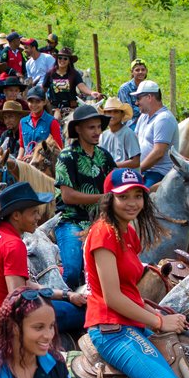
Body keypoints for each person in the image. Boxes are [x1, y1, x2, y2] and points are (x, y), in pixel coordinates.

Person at [84, 168, 187, 378]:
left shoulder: (127, 231)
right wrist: (158, 322)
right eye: (123, 196)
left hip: (130, 320)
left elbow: (129, 289)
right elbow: (113, 297)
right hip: (110, 327)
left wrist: (158, 311)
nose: (132, 202)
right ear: (110, 199)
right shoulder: (103, 233)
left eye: (138, 195)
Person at [0, 182, 84, 336]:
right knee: (83, 314)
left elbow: (23, 284)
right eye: (34, 213)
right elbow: (18, 298)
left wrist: (66, 295)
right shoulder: (14, 244)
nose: (38, 218)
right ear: (16, 215)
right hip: (8, 323)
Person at [54, 104, 117, 291]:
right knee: (72, 271)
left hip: (102, 221)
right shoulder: (67, 156)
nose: (97, 132)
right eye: (92, 127)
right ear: (78, 130)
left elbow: (116, 185)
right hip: (72, 221)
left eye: (99, 127)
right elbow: (68, 196)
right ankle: (64, 306)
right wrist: (105, 198)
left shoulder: (104, 156)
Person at [133, 80, 178, 187]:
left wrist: (137, 170)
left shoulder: (164, 119)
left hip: (158, 172)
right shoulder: (143, 116)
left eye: (138, 98)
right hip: (144, 170)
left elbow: (158, 152)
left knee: (143, 196)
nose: (136, 103)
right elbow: (134, 140)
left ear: (149, 97)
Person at [44, 47, 95, 112]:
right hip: (54, 107)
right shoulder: (50, 74)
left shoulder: (74, 74)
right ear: (57, 59)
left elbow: (81, 86)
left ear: (69, 61)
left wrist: (91, 93)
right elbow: (43, 89)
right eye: (60, 58)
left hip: (71, 107)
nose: (62, 60)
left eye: (65, 58)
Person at [19, 85, 63, 159]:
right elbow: (22, 146)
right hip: (26, 162)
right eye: (31, 101)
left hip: (44, 164)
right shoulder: (23, 122)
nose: (34, 105)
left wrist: (34, 156)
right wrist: (19, 157)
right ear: (27, 102)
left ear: (44, 102)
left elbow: (58, 148)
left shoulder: (52, 122)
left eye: (37, 101)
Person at [99, 96, 141, 169]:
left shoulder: (128, 133)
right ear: (104, 115)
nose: (112, 115)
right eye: (109, 112)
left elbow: (135, 162)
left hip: (126, 177)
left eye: (116, 111)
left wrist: (112, 165)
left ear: (122, 114)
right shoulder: (103, 135)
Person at [117, 59, 149, 125]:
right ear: (132, 72)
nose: (140, 72)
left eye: (143, 70)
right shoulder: (124, 89)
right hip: (130, 123)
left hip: (147, 119)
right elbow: (128, 111)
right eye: (137, 70)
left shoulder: (149, 87)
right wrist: (147, 110)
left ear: (146, 71)